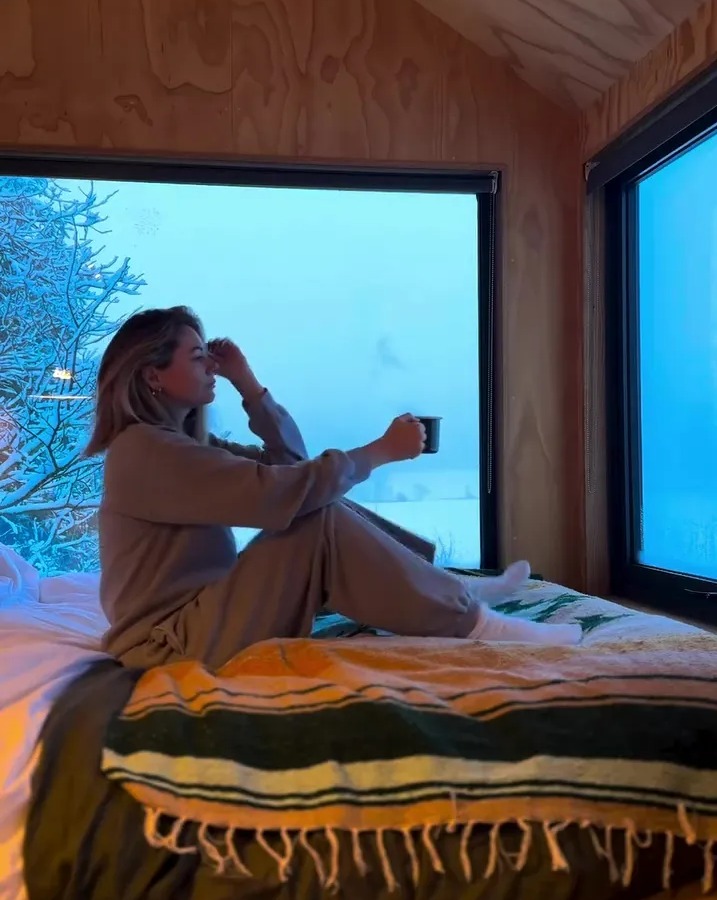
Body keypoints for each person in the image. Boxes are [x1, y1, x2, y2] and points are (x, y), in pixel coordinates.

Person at [86, 306, 581, 670]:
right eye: (198, 358)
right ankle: (475, 621)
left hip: (197, 622)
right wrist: (380, 451)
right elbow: (281, 493)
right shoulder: (146, 453)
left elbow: (290, 468)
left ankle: (452, 595)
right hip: (169, 645)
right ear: (153, 373)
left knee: (314, 503)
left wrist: (249, 385)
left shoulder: (178, 444)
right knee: (315, 517)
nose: (210, 366)